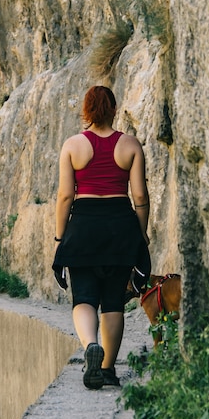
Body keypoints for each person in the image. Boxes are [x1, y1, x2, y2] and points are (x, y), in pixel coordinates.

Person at [52, 85, 150, 389]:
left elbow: (66, 196)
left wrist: (60, 238)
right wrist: (141, 234)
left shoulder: (73, 146)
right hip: (120, 226)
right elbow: (140, 196)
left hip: (83, 226)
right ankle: (107, 369)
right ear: (113, 108)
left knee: (83, 296)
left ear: (87, 110)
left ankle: (90, 346)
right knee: (113, 302)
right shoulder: (130, 145)